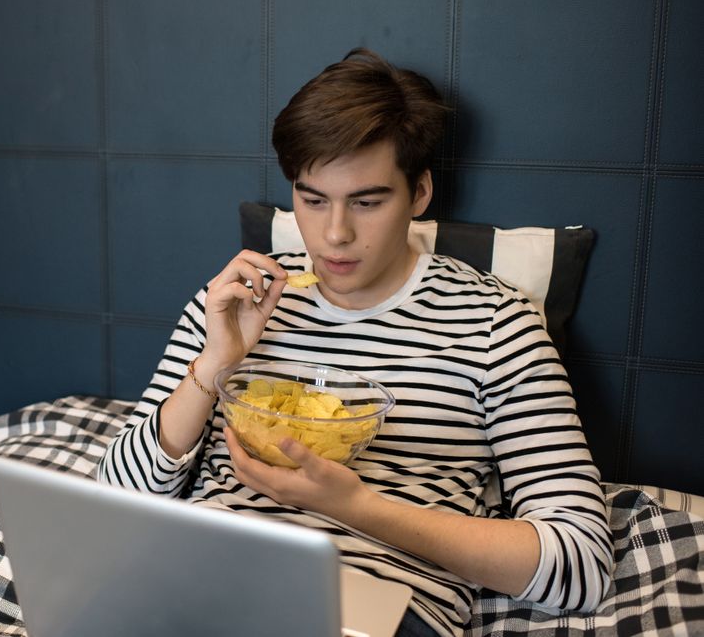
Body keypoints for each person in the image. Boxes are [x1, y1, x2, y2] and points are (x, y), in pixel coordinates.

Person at [97, 48, 613, 637]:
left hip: (370, 606)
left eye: (367, 202)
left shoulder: (498, 325)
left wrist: (353, 505)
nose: (335, 234)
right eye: (312, 200)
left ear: (419, 194)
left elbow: (581, 565)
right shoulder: (236, 301)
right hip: (191, 582)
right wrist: (215, 364)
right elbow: (118, 500)